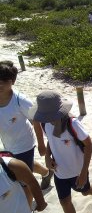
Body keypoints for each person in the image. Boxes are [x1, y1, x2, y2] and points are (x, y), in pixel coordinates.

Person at [28, 91, 92, 213]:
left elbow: (88, 144)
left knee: (85, 192)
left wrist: (84, 172)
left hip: (77, 172)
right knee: (64, 202)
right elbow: (51, 140)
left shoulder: (72, 123)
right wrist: (47, 156)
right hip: (59, 173)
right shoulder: (45, 123)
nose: (47, 119)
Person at [0, 61, 53, 195]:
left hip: (25, 144)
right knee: (24, 165)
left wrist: (41, 144)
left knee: (23, 178)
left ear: (13, 81)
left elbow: (36, 120)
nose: (0, 84)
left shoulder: (20, 100)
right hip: (7, 143)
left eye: (4, 80)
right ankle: (46, 173)